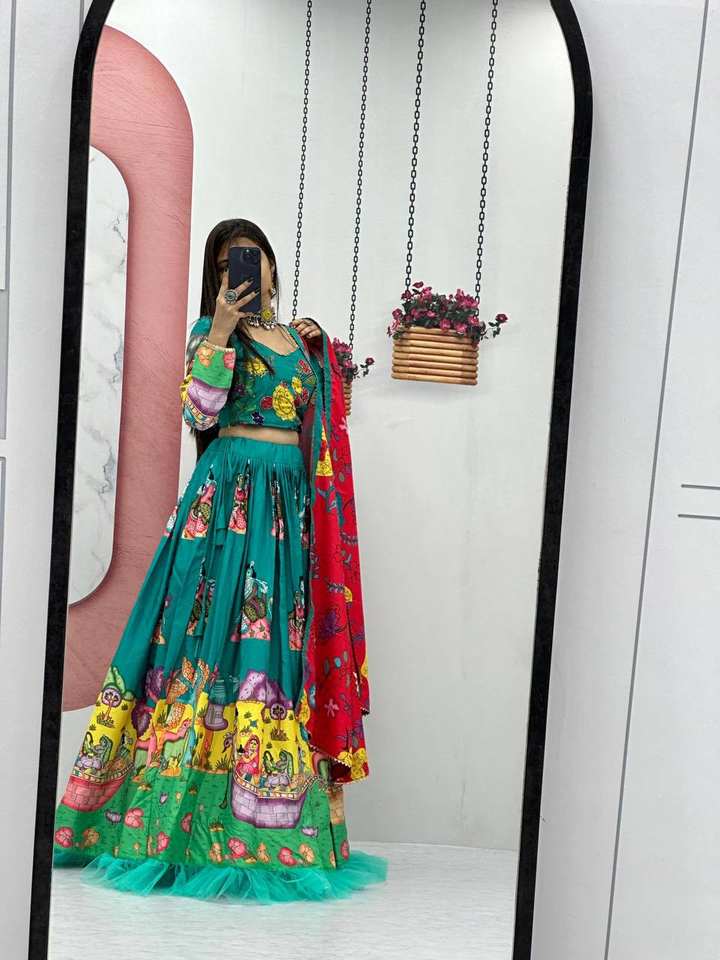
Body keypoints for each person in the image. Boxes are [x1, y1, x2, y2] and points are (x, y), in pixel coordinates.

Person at [52, 218, 388, 902]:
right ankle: (177, 823)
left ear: (272, 266)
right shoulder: (212, 333)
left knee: (275, 648)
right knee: (199, 637)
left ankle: (273, 823)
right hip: (228, 498)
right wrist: (221, 332)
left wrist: (317, 349)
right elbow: (200, 412)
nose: (247, 270)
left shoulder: (298, 341)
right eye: (232, 261)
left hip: (286, 509)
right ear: (219, 275)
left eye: (255, 257)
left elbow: (315, 424)